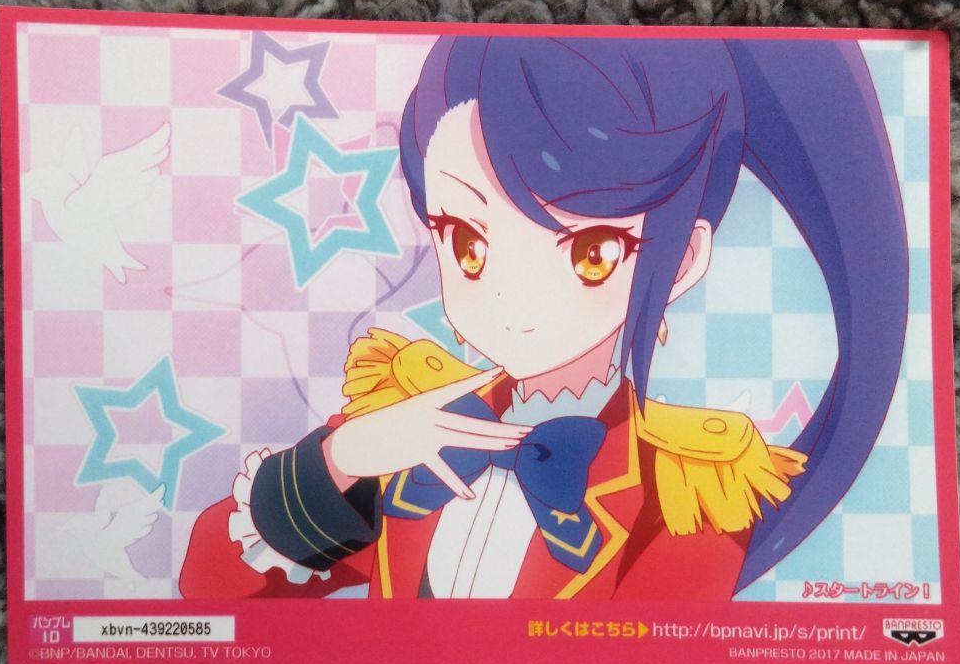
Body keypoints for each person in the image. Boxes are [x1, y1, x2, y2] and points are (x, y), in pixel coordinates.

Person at [179, 35, 907, 600]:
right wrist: (337, 461)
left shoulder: (686, 496)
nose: (511, 300)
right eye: (467, 243)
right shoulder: (406, 423)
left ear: (682, 261)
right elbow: (213, 595)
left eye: (591, 252)